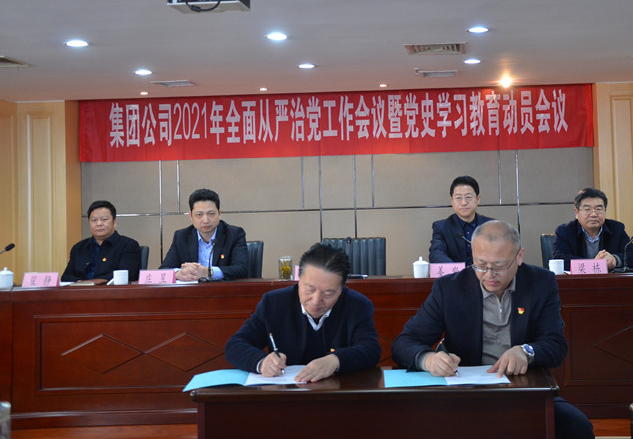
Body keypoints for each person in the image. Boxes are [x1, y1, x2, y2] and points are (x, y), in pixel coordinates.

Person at [393, 220, 594, 439]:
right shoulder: (449, 288)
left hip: (523, 390)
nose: (489, 274)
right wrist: (428, 359)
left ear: (519, 256)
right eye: (480, 264)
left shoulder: (541, 283)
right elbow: (404, 342)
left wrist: (526, 351)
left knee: (577, 427)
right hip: (464, 393)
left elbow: (556, 345)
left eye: (499, 266)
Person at [225, 243, 381, 383]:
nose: (316, 301)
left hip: (338, 395)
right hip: (286, 396)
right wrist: (261, 362)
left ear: (342, 289)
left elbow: (371, 349)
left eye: (328, 293)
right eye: (310, 289)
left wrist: (336, 360)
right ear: (298, 279)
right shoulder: (274, 303)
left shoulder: (357, 305)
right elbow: (235, 345)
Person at [160, 188, 248, 281]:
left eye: (211, 214)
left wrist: (208, 272)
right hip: (192, 290)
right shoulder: (181, 237)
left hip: (222, 289)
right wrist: (178, 274)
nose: (205, 220)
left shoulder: (234, 234)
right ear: (191, 216)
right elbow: (164, 270)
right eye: (199, 215)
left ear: (219, 214)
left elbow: (242, 269)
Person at [552, 187, 633, 272]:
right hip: (577, 282)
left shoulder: (616, 229)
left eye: (598, 209)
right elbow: (559, 260)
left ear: (605, 210)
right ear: (576, 212)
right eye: (587, 209)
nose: (593, 214)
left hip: (608, 282)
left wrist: (614, 260)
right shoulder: (565, 231)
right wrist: (595, 264)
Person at [62, 200, 140, 283]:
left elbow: (127, 275)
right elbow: (66, 277)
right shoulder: (78, 248)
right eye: (94, 220)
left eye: (104, 219)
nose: (99, 223)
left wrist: (95, 283)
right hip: (81, 290)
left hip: (111, 290)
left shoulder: (128, 245)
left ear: (114, 222)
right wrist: (82, 283)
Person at [429, 175, 494, 265]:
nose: (464, 203)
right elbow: (436, 254)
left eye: (468, 197)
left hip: (485, 273)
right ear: (452, 201)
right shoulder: (441, 227)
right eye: (458, 198)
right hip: (455, 273)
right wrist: (456, 269)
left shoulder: (491, 226)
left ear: (478, 199)